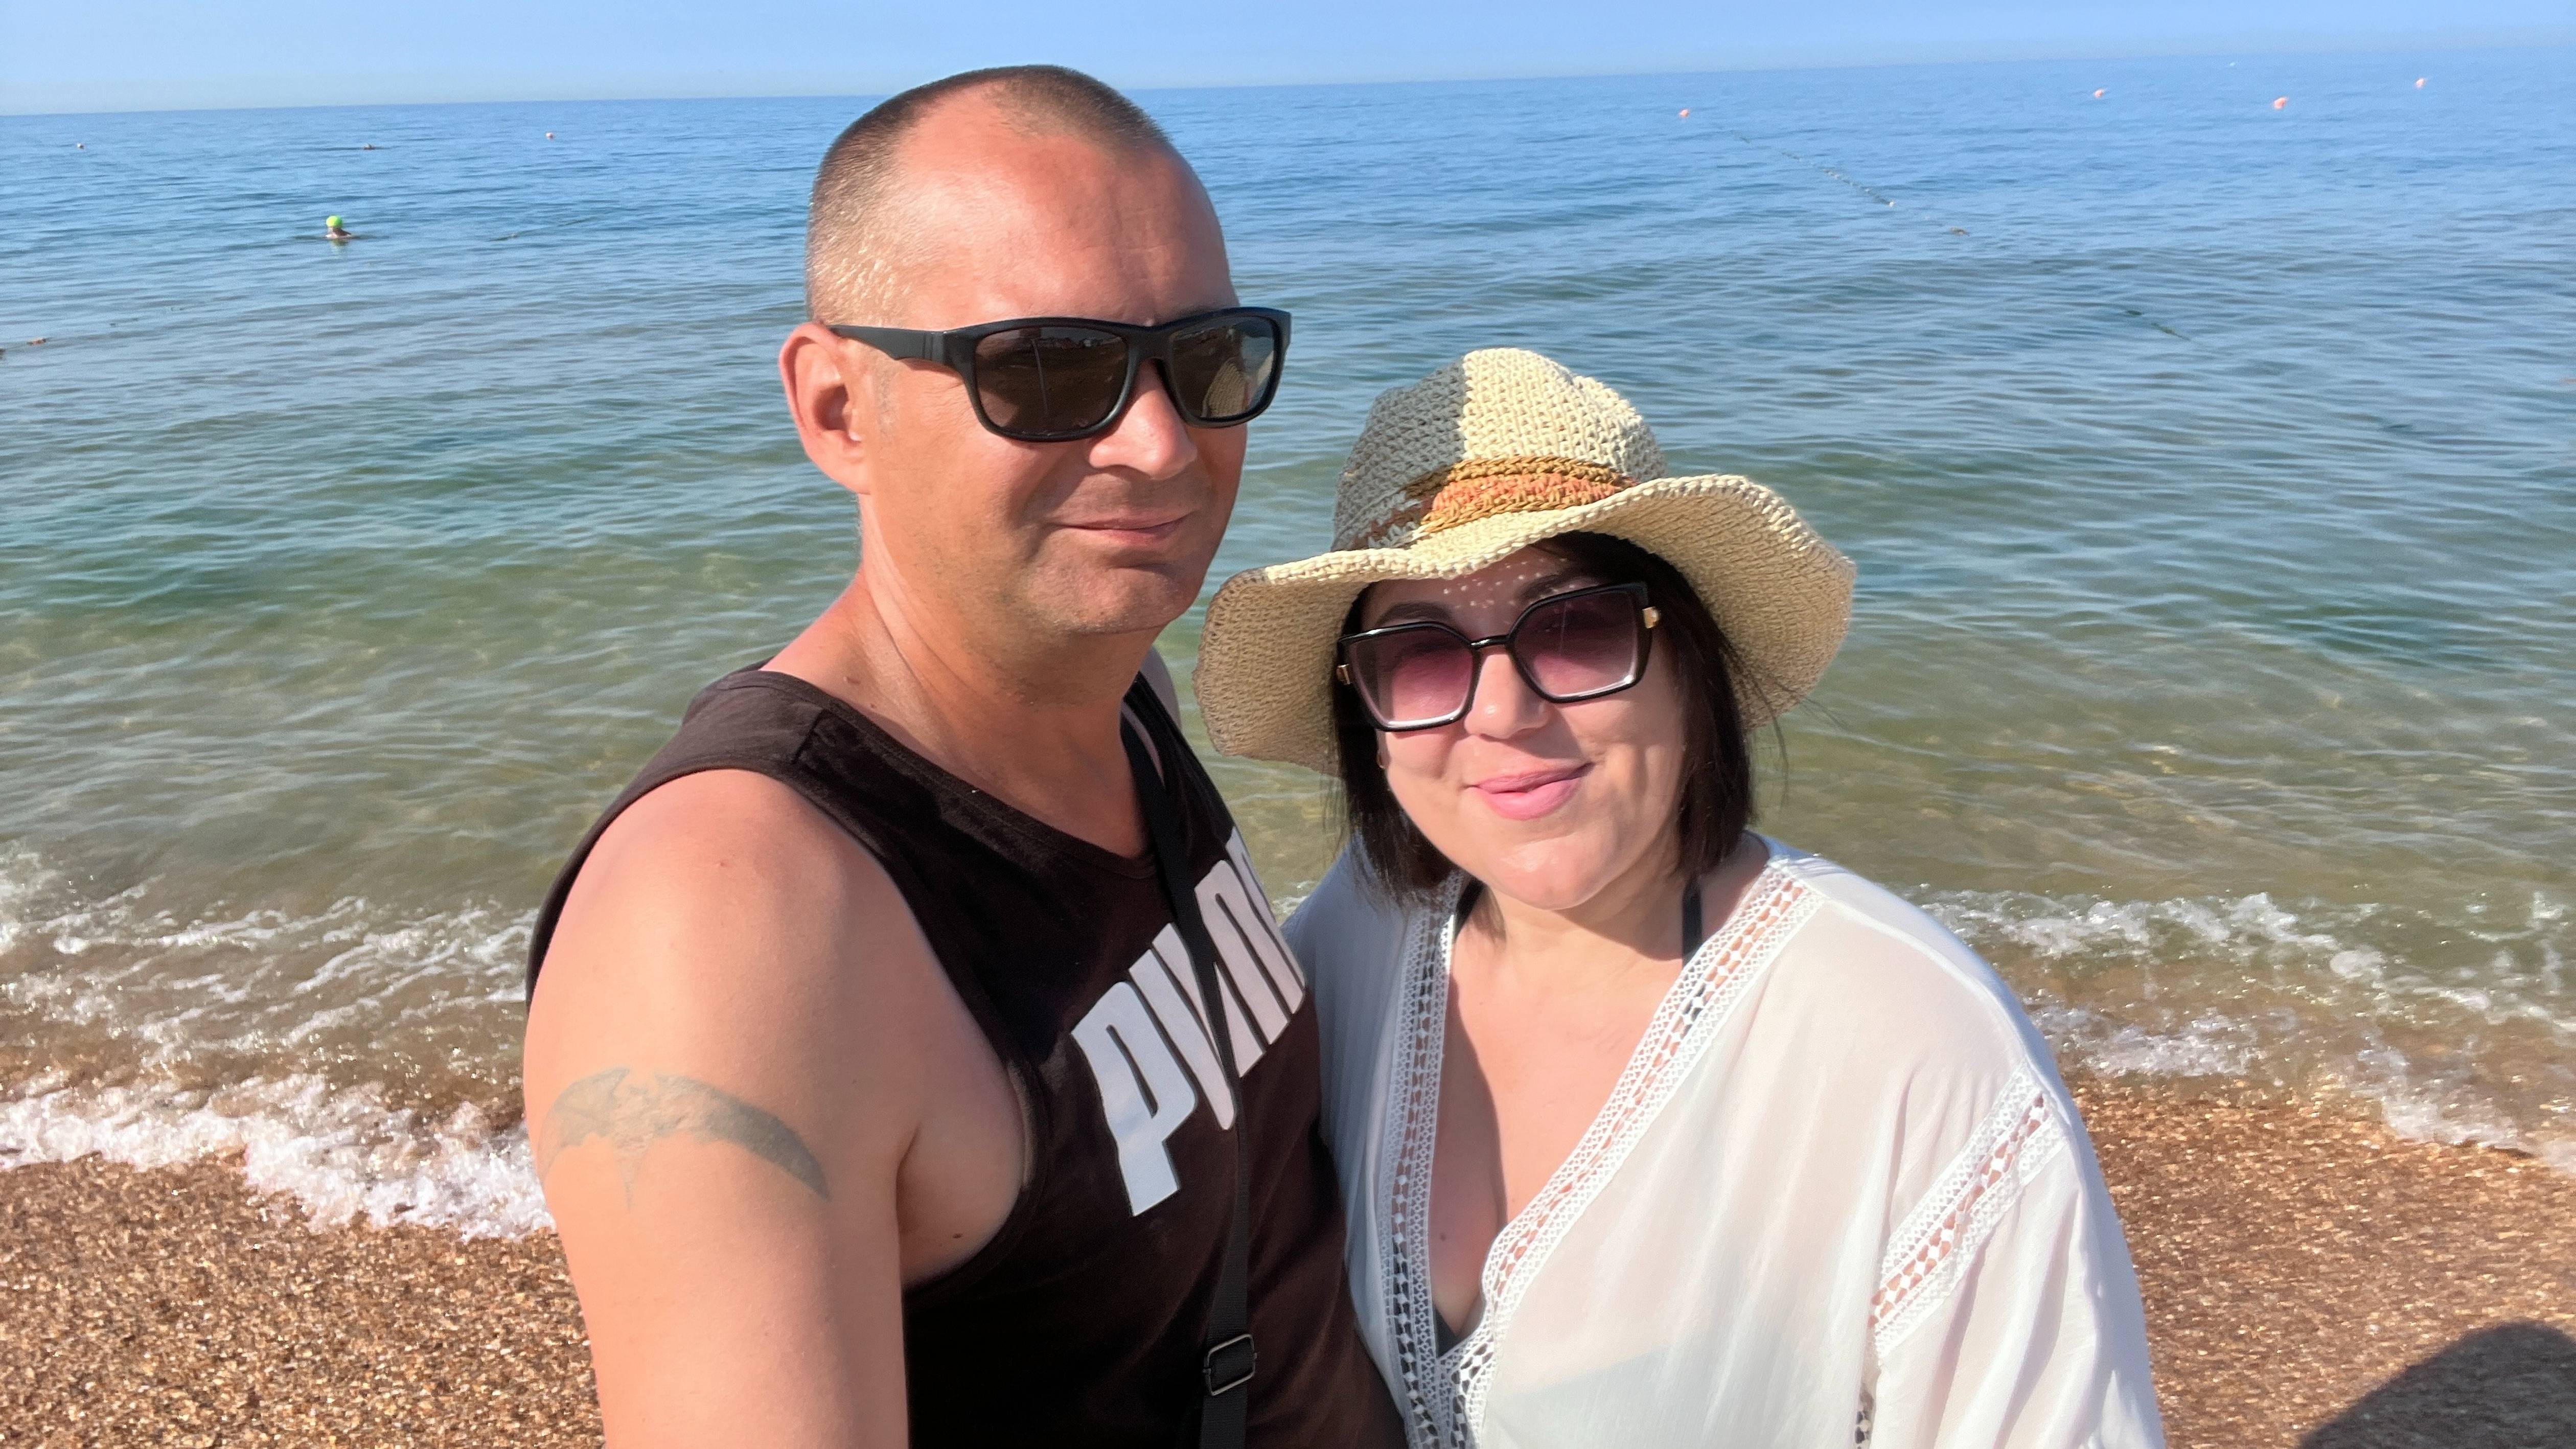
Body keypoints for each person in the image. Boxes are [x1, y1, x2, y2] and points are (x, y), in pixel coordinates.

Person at [521, 66, 1403, 1448]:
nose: (1160, 441)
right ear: (838, 408)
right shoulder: (735, 923)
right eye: (1047, 371)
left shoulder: (1125, 700)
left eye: (1209, 358)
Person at [1191, 348, 2166, 1447]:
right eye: (1420, 654)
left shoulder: (1913, 1046)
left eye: (1575, 628)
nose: (1501, 712)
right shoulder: (1364, 933)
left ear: (1688, 661)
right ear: (1365, 713)